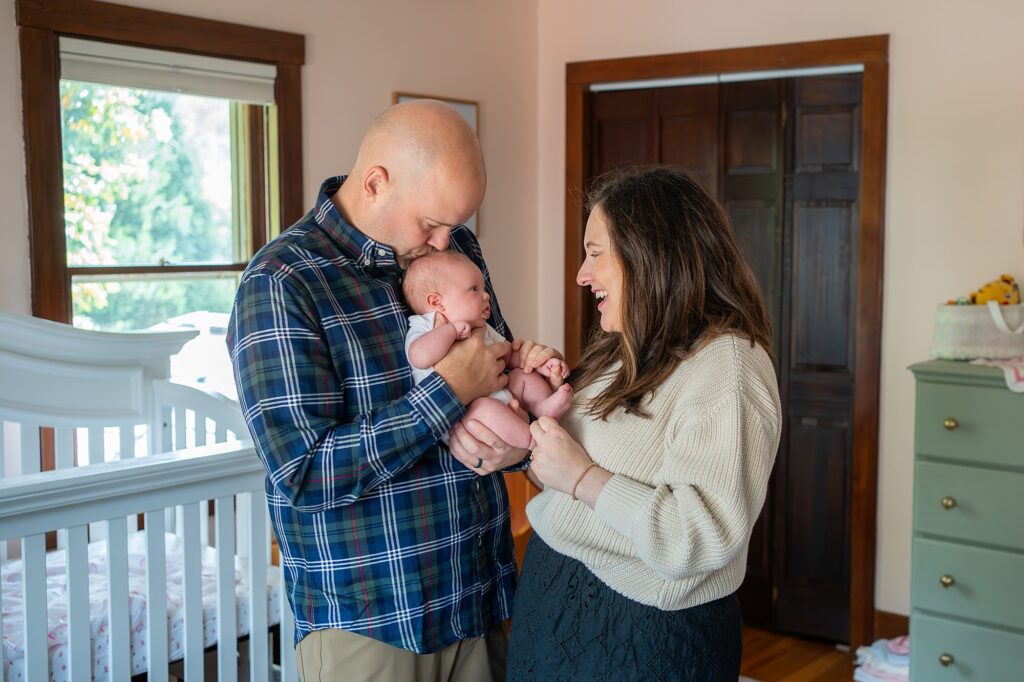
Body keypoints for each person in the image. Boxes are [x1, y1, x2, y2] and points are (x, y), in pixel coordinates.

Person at [228, 100, 552, 682]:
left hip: (480, 596)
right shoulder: (283, 283)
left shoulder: (455, 252)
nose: (444, 241)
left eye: (456, 225)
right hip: (373, 625)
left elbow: (493, 372)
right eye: (430, 223)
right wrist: (448, 392)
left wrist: (517, 443)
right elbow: (304, 474)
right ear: (376, 183)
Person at [506, 166, 783, 681]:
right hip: (553, 601)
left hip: (645, 633)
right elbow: (561, 481)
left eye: (594, 253)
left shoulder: (728, 366)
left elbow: (701, 536)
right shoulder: (619, 350)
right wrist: (536, 418)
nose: (581, 276)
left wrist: (584, 476)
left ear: (651, 252)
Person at [403, 250, 573, 449]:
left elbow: (506, 353)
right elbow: (418, 356)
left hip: (500, 397)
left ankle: (544, 407)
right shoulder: (425, 325)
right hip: (464, 419)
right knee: (485, 408)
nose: (486, 295)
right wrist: (450, 331)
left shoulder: (481, 327)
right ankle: (532, 440)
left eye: (483, 288)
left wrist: (537, 363)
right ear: (436, 302)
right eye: (474, 289)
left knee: (521, 377)